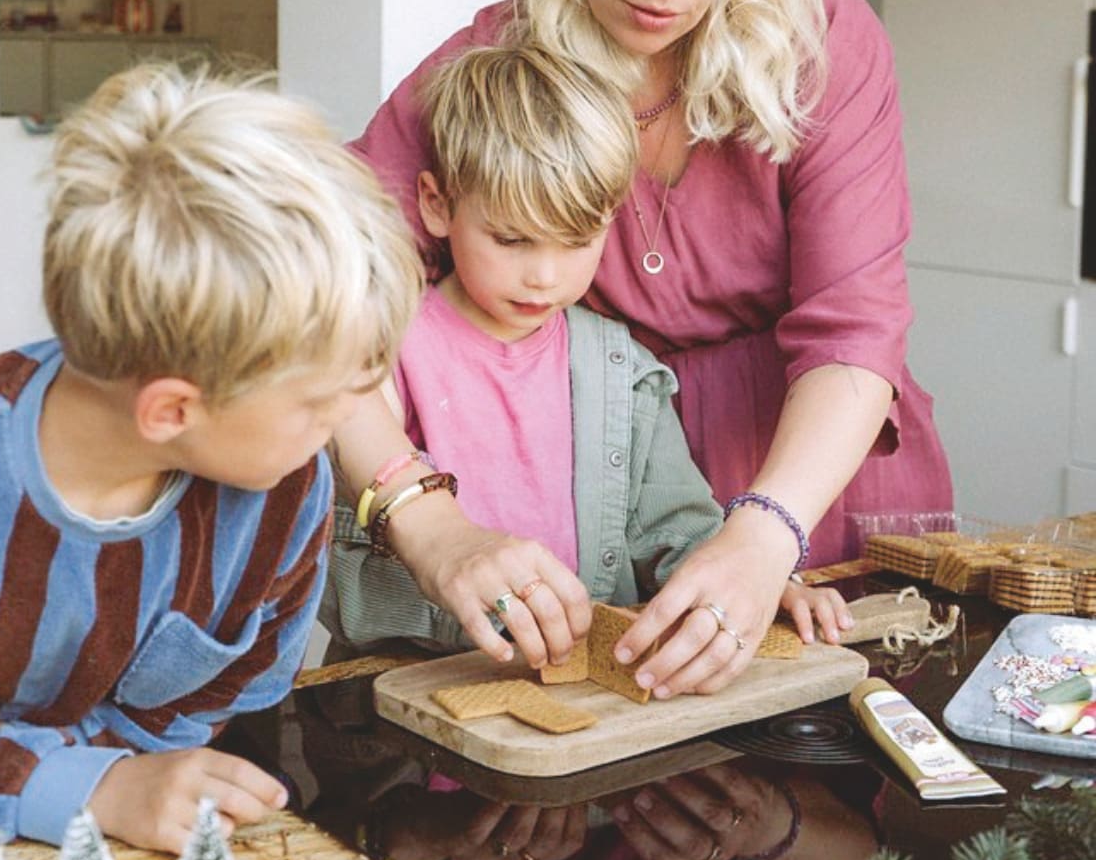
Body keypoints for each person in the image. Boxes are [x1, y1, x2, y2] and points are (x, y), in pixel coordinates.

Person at [340, 0, 952, 697]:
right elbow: (317, 301)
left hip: (817, 489)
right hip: (626, 502)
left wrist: (761, 538)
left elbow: (855, 337)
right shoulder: (490, 74)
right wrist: (426, 522)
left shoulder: (827, 44)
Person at [0, 63, 421, 854]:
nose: (339, 430)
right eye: (317, 405)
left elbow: (212, 715)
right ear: (172, 410)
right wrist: (90, 785)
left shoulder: (285, 499)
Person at [322, 41, 846, 660]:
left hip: (588, 724)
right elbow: (342, 585)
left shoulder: (623, 374)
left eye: (575, 240)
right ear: (438, 206)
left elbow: (681, 534)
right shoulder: (377, 356)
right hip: (401, 717)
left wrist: (755, 580)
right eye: (511, 239)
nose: (544, 276)